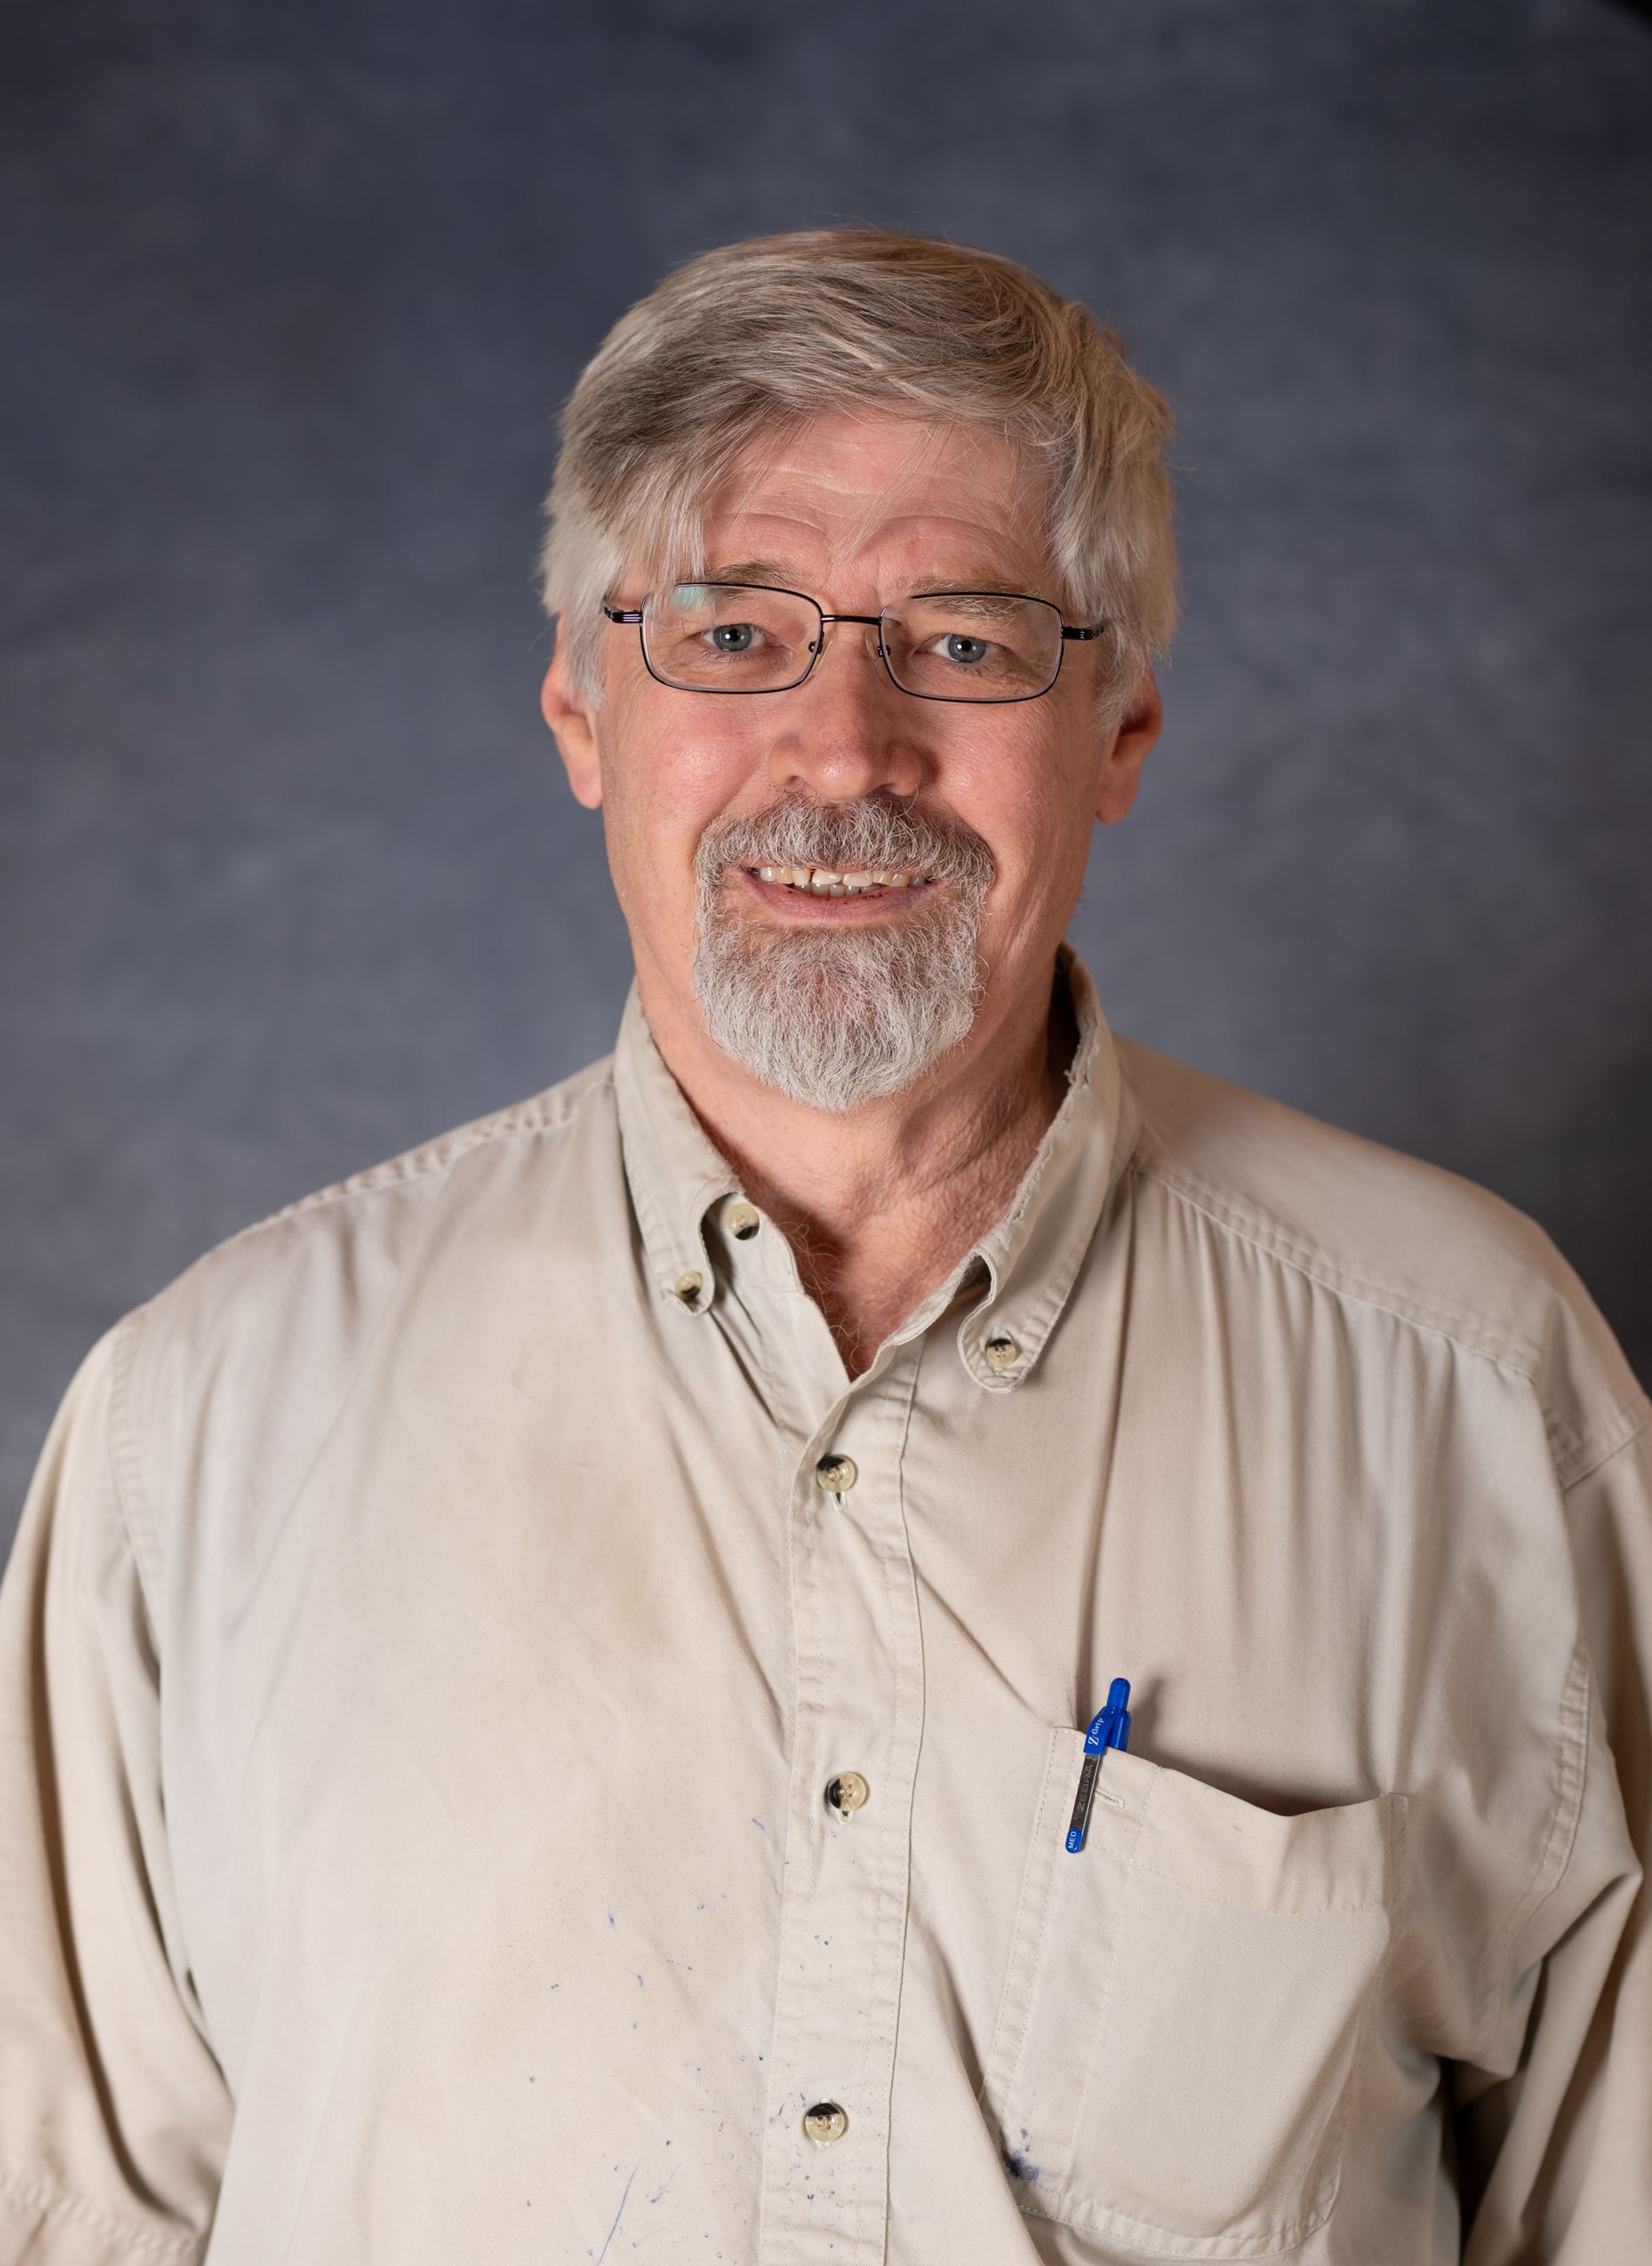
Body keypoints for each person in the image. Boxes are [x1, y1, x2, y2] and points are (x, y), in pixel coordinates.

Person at [0, 227, 1646, 2266]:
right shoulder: (205, 1429)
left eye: (961, 640)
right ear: (583, 710)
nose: (846, 747)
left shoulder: (1482, 1395)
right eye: (734, 631)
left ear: (1118, 728)